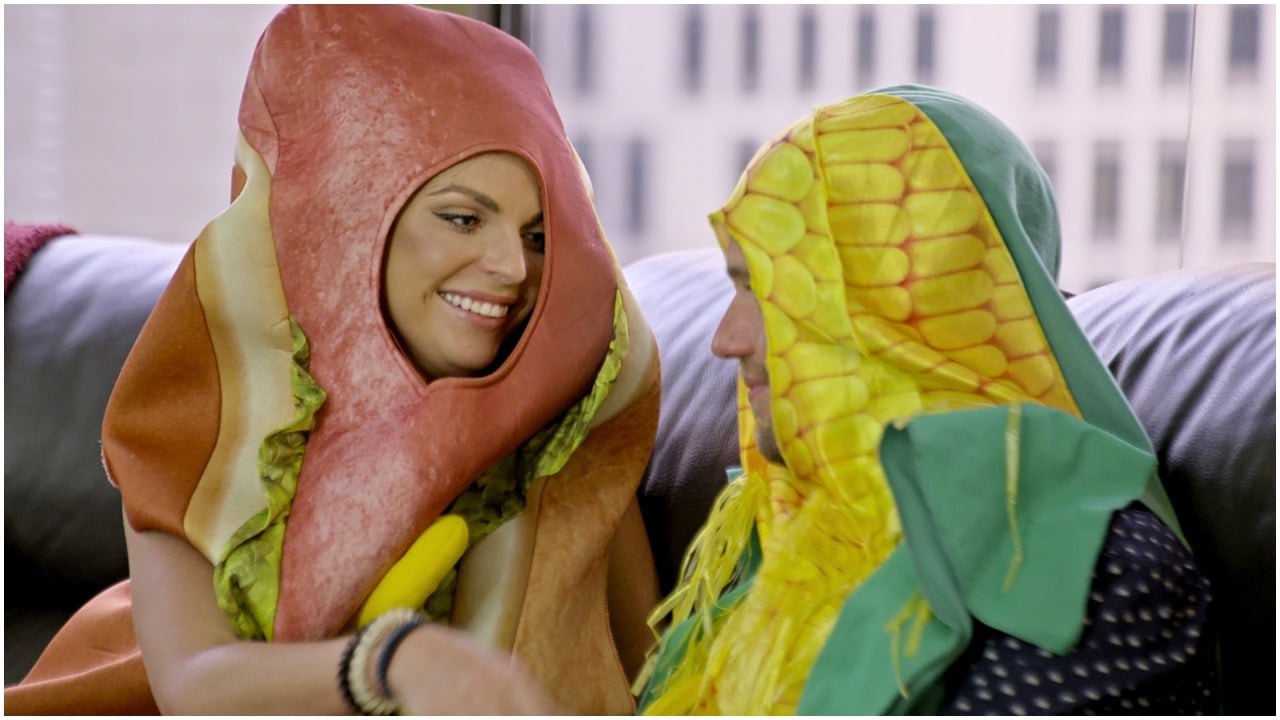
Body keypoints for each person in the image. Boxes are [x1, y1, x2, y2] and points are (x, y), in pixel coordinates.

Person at [5, 5, 661, 715]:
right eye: (463, 218)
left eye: (538, 235)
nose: (511, 266)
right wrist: (393, 663)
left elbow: (654, 681)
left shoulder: (567, 425)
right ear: (345, 217)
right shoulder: (208, 401)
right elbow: (195, 686)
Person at [636, 86, 1218, 714]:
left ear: (901, 308)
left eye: (768, 290)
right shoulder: (782, 535)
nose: (725, 339)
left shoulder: (1088, 572)